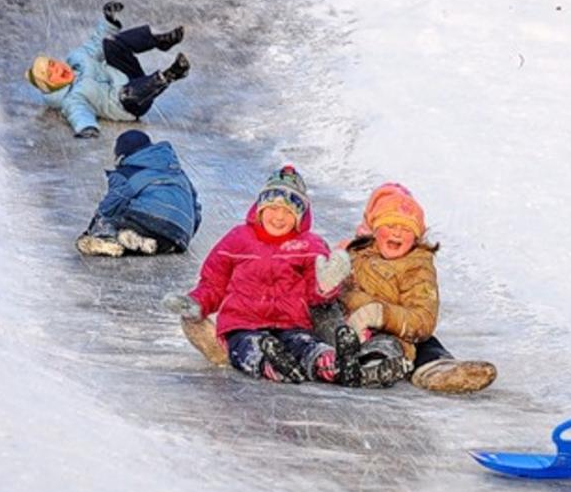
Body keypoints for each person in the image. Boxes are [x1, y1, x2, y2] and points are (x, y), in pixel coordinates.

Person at [161, 166, 353, 384]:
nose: (279, 217)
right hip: (244, 324)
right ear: (260, 208)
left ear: (300, 217)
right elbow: (214, 283)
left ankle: (326, 362)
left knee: (303, 343)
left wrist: (325, 285)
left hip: (291, 323)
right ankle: (269, 364)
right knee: (248, 347)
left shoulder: (310, 245)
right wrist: (196, 302)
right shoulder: (237, 239)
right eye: (273, 208)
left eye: (289, 212)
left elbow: (315, 297)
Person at [335, 183, 497, 393]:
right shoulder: (354, 252)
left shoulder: (417, 265)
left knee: (417, 341)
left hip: (395, 332)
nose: (398, 234)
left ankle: (434, 368)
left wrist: (380, 314)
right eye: (391, 225)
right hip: (347, 328)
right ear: (375, 228)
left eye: (406, 229)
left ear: (417, 236)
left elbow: (422, 318)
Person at [25, 1, 189, 138]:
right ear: (51, 86)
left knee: (109, 43)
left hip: (126, 75)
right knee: (126, 94)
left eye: (54, 65)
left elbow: (95, 44)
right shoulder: (72, 99)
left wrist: (109, 20)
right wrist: (86, 128)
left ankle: (160, 40)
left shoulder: (78, 60)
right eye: (51, 75)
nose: (58, 70)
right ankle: (171, 74)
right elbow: (79, 114)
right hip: (130, 104)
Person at [76, 130, 201, 257]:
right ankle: (153, 243)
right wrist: (186, 232)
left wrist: (92, 227)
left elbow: (112, 203)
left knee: (109, 221)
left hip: (148, 217)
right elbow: (195, 207)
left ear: (122, 155)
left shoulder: (128, 172)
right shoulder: (177, 172)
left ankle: (108, 237)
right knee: (158, 238)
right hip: (180, 231)